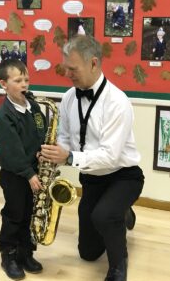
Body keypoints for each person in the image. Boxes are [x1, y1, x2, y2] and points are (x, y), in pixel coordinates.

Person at [40, 35, 144, 281]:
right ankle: (122, 211)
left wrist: (69, 157)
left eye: (72, 69)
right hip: (92, 178)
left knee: (103, 215)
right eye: (66, 68)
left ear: (94, 63)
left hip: (124, 176)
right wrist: (54, 152)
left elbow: (109, 156)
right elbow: (65, 137)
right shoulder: (68, 98)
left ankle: (119, 265)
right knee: (87, 254)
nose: (68, 73)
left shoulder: (118, 102)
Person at [0, 59, 46, 280]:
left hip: (33, 170)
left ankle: (25, 252)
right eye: (18, 80)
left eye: (27, 79)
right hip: (16, 174)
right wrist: (29, 173)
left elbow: (40, 131)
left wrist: (44, 150)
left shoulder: (33, 106)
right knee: (15, 213)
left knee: (30, 213)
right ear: (4, 84)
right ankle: (8, 254)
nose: (24, 84)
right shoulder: (3, 117)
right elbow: (12, 151)